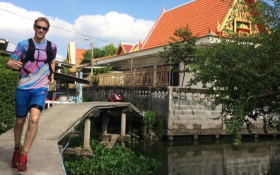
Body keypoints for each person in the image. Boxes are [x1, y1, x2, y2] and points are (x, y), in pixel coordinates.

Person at [6, 17, 57, 172]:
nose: (41, 30)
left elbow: (52, 61)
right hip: (23, 87)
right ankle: (17, 148)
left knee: (34, 119)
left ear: (47, 30)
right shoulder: (23, 45)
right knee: (20, 121)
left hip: (40, 88)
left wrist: (52, 75)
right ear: (34, 27)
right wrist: (12, 65)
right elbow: (9, 61)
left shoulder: (51, 46)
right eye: (39, 27)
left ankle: (24, 155)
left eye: (44, 28)